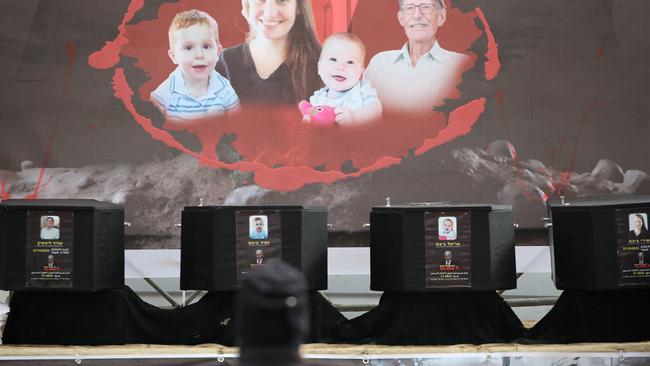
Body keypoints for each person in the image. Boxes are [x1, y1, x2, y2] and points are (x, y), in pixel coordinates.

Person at [364, 0, 471, 116]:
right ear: (401, 18)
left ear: (441, 16)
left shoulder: (463, 65)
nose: (417, 15)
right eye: (409, 8)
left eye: (426, 7)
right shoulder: (380, 63)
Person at [219, 0, 322, 105]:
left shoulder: (328, 64)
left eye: (282, 1)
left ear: (299, 6)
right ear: (247, 4)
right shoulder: (218, 63)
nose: (270, 14)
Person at [150, 9, 239, 120]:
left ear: (218, 52)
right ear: (173, 56)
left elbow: (238, 124)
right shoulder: (164, 96)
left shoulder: (225, 90)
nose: (199, 55)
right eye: (188, 47)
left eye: (206, 46)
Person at [304, 32, 382, 126]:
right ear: (319, 68)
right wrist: (307, 119)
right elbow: (312, 113)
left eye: (350, 62)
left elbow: (375, 110)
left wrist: (356, 117)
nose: (340, 67)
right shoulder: (318, 98)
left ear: (361, 72)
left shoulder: (361, 91)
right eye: (333, 59)